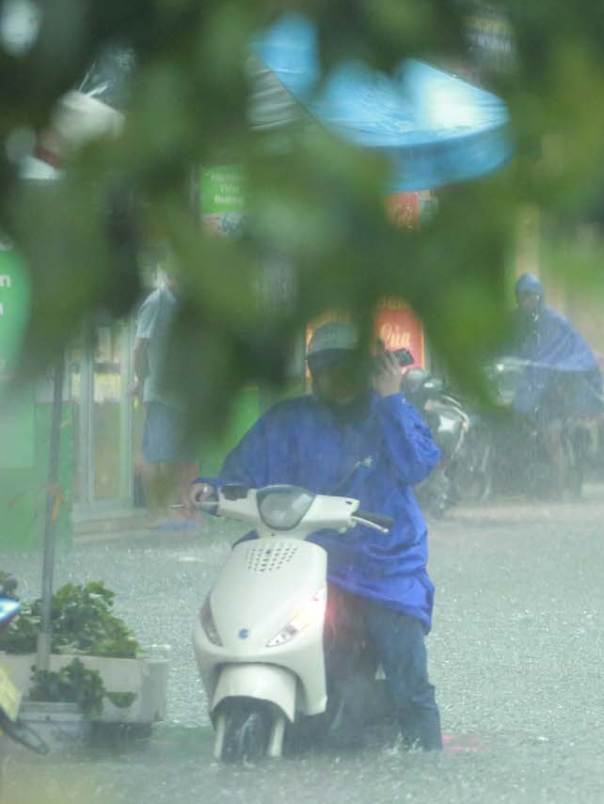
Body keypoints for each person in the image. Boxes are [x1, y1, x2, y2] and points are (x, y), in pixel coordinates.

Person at [202, 321, 445, 751]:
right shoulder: (288, 420)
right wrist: (209, 490)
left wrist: (391, 398)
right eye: (325, 368)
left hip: (386, 568)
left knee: (409, 684)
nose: (335, 379)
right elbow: (240, 475)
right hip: (311, 568)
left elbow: (417, 465)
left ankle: (426, 760)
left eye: (346, 367)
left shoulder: (391, 414)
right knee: (309, 676)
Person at [507, 273, 604, 497]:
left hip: (553, 398)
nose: (528, 301)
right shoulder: (517, 322)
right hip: (523, 394)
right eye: (524, 297)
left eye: (532, 296)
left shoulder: (556, 323)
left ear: (540, 296)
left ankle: (558, 487)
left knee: (551, 438)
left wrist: (556, 372)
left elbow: (577, 354)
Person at [133, 271, 198, 528]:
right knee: (157, 455)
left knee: (182, 455)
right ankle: (156, 512)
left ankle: (182, 509)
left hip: (184, 396)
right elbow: (140, 347)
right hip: (161, 395)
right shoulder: (156, 301)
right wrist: (141, 380)